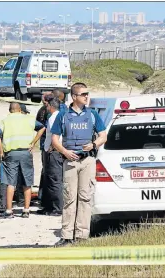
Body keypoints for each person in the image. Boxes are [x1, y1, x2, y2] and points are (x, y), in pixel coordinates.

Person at [51, 82, 107, 247]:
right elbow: (54, 139)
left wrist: (94, 145)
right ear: (74, 97)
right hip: (70, 161)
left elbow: (103, 135)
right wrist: (64, 152)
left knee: (85, 198)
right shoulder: (63, 115)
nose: (86, 97)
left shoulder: (92, 114)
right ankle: (67, 236)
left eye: (87, 94)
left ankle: (82, 236)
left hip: (87, 160)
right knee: (69, 199)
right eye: (83, 94)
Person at [0, 102, 46, 218]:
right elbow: (42, 127)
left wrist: (1, 151)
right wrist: (33, 142)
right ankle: (26, 210)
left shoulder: (4, 121)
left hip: (10, 153)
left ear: (10, 110)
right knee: (27, 182)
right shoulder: (28, 119)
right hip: (25, 152)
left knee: (10, 182)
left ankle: (8, 210)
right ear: (20, 110)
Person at [38, 96, 63, 216]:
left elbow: (56, 135)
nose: (46, 107)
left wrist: (51, 149)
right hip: (51, 151)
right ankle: (48, 206)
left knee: (55, 180)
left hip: (53, 153)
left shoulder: (54, 118)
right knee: (48, 180)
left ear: (51, 106)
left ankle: (57, 208)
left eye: (47, 105)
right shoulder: (58, 116)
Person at [35, 92, 53, 203]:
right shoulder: (46, 111)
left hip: (46, 143)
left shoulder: (44, 110)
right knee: (47, 171)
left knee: (46, 170)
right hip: (47, 143)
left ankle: (43, 196)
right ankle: (43, 197)